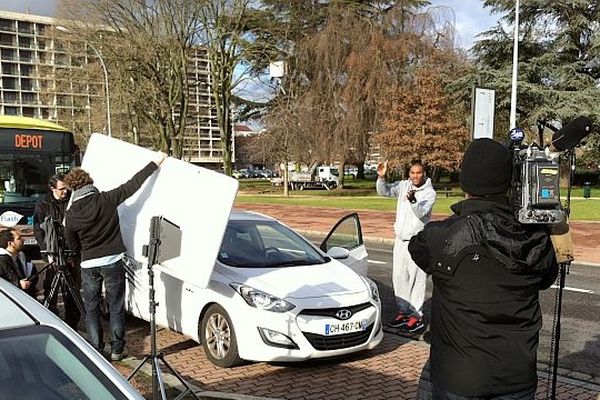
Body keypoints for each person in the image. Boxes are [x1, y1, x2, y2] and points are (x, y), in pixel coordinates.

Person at [408, 138, 558, 399]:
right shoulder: (535, 239)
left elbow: (416, 248)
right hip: (517, 378)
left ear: (466, 183)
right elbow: (547, 275)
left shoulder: (441, 237)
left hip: (458, 379)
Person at [64, 152, 167, 361]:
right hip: (112, 261)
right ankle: (118, 349)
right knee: (115, 305)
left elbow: (72, 245)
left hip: (89, 264)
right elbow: (134, 184)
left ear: (72, 188)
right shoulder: (107, 199)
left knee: (91, 308)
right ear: (89, 182)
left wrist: (82, 251)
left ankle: (96, 348)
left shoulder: (71, 214)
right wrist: (156, 162)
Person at [376, 159, 436, 333]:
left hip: (417, 241)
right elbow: (385, 192)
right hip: (400, 240)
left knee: (417, 278)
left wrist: (413, 200)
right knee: (400, 277)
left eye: (419, 172)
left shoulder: (429, 192)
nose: (415, 176)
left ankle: (416, 316)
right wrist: (381, 177)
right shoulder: (404, 185)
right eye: (412, 172)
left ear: (424, 173)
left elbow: (422, 212)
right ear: (409, 173)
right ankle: (403, 312)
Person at [33, 173, 81, 329]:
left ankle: (72, 324)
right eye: (61, 189)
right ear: (52, 188)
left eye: (66, 188)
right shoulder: (43, 204)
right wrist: (46, 253)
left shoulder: (72, 201)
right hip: (53, 253)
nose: (65, 192)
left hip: (71, 252)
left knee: (73, 289)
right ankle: (52, 320)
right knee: (51, 287)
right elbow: (38, 230)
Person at [0, 228, 39, 297]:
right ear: (10, 243)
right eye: (19, 238)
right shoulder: (2, 260)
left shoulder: (21, 256)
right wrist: (18, 283)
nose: (23, 240)